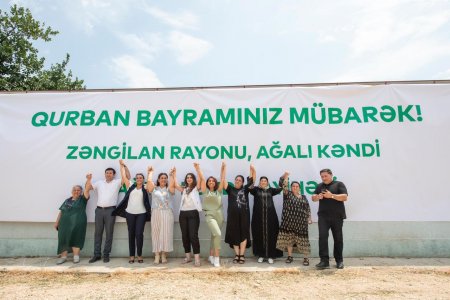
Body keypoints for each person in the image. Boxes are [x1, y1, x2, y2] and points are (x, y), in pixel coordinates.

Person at [87, 162, 130, 263]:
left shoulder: (117, 182)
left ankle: (106, 254)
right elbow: (89, 188)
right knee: (97, 233)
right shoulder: (99, 183)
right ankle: (96, 254)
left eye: (110, 173)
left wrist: (123, 166)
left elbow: (127, 177)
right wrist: (88, 180)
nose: (108, 174)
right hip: (99, 210)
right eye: (107, 173)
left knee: (109, 233)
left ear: (114, 174)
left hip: (110, 210)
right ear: (105, 174)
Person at [112, 160, 152, 263]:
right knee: (131, 234)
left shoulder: (146, 187)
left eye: (141, 178)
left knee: (139, 234)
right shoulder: (130, 185)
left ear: (143, 179)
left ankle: (139, 255)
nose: (139, 179)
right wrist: (122, 166)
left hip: (141, 214)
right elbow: (124, 176)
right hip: (130, 213)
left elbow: (150, 184)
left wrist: (149, 173)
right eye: (137, 178)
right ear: (135, 179)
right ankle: (131, 256)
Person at [312, 168, 348, 270]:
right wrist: (317, 196)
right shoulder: (319, 186)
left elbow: (345, 197)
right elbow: (313, 197)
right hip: (323, 217)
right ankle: (324, 261)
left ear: (331, 175)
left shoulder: (339, 184)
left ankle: (339, 261)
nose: (323, 178)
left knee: (338, 239)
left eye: (325, 176)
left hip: (337, 216)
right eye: (322, 176)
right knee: (322, 238)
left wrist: (331, 195)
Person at [276, 172, 312, 265]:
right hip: (289, 223)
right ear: (291, 187)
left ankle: (306, 258)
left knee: (303, 241)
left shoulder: (303, 197)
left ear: (299, 187)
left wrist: (309, 218)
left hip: (301, 223)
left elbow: (307, 208)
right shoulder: (287, 194)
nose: (295, 187)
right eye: (293, 186)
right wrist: (286, 176)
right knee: (289, 241)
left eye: (297, 186)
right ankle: (290, 256)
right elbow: (283, 184)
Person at [249, 167, 283, 264]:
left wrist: (284, 177)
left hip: (270, 218)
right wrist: (252, 172)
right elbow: (250, 185)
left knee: (271, 236)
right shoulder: (255, 190)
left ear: (267, 182)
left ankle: (271, 255)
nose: (263, 182)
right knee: (259, 235)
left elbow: (280, 188)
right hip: (258, 218)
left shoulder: (271, 190)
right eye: (262, 181)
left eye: (265, 181)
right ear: (260, 182)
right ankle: (261, 255)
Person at [54, 176, 92, 264]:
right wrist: (57, 222)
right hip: (64, 224)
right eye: (74, 190)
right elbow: (61, 212)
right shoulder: (67, 200)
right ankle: (63, 257)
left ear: (81, 192)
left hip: (78, 223)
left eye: (78, 190)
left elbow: (87, 189)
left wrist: (88, 180)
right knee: (63, 239)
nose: (76, 191)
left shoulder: (83, 199)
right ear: (72, 191)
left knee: (77, 238)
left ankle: (76, 256)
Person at [171, 163, 203, 266]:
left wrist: (198, 169)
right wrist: (174, 174)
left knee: (193, 236)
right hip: (183, 214)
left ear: (193, 179)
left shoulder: (196, 188)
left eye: (191, 177)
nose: (189, 179)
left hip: (193, 213)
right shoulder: (184, 189)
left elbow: (202, 180)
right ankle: (188, 257)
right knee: (185, 236)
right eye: (187, 177)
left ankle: (197, 258)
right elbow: (175, 185)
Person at [222, 163, 254, 264]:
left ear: (243, 182)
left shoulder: (245, 189)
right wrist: (224, 168)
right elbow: (223, 181)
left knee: (244, 235)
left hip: (244, 216)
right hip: (232, 217)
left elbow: (252, 180)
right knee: (235, 235)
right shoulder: (230, 189)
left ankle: (242, 255)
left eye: (240, 180)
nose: (237, 181)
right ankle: (237, 255)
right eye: (236, 179)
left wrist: (252, 170)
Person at [197, 163, 224, 267]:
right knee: (217, 234)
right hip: (209, 216)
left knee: (214, 236)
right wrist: (198, 169)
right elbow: (203, 179)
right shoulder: (205, 191)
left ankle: (211, 255)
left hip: (219, 216)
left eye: (213, 181)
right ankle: (217, 258)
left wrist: (223, 169)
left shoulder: (219, 191)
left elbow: (222, 180)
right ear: (208, 183)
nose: (211, 182)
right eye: (210, 181)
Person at [147, 166, 175, 264]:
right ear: (158, 180)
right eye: (161, 178)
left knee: (166, 233)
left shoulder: (169, 189)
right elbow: (149, 185)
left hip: (167, 213)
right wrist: (150, 172)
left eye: (165, 178)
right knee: (156, 233)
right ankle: (157, 254)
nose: (163, 179)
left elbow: (172, 186)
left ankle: (164, 254)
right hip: (156, 212)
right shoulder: (154, 189)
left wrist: (171, 174)